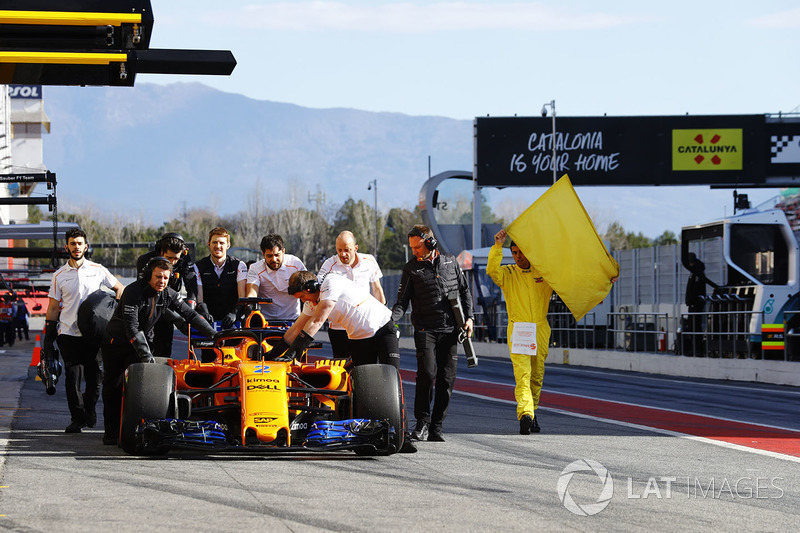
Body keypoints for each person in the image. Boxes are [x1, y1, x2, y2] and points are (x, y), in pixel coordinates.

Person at [269, 270, 416, 453]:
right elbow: (296, 329)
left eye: (304, 296)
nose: (305, 302)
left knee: (392, 383)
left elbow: (318, 320)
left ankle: (404, 436)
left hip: (383, 328)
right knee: (363, 390)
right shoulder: (312, 301)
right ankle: (369, 434)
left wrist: (293, 353)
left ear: (311, 287)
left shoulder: (331, 283)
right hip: (359, 339)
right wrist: (271, 355)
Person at [101, 256, 216, 445]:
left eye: (165, 278)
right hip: (116, 344)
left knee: (136, 390)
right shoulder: (132, 292)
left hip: (140, 342)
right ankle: (111, 432)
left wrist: (214, 335)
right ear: (148, 275)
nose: (162, 281)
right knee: (113, 387)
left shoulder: (168, 293)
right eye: (158, 277)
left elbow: (189, 314)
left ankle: (136, 430)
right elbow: (132, 328)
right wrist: (147, 357)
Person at [391, 224, 473, 442]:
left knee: (447, 379)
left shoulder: (450, 262)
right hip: (425, 330)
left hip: (450, 330)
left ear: (430, 242)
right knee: (427, 374)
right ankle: (422, 424)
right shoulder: (410, 268)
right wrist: (389, 321)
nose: (414, 251)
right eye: (412, 248)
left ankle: (437, 427)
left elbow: (465, 291)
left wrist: (470, 318)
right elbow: (402, 303)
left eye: (417, 247)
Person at [44, 228, 124, 433]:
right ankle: (77, 418)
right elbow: (53, 307)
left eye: (80, 243)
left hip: (95, 335)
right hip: (69, 333)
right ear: (66, 247)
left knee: (95, 379)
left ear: (86, 246)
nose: (76, 247)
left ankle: (90, 410)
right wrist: (49, 334)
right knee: (72, 378)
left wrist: (113, 311)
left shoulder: (98, 269)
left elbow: (119, 288)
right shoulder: (59, 275)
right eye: (72, 243)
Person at [487, 229, 552, 435]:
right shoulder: (508, 273)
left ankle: (533, 413)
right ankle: (525, 414)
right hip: (520, 329)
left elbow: (571, 282)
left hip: (540, 329)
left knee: (536, 377)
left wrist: (602, 281)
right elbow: (491, 271)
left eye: (521, 252)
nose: (518, 256)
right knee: (523, 375)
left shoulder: (544, 273)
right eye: (514, 253)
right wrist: (498, 246)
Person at [317, 230, 386, 358]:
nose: (343, 254)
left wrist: (383, 319)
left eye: (347, 250)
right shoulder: (329, 265)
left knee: (366, 367)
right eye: (339, 250)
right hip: (339, 328)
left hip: (365, 326)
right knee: (342, 368)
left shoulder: (369, 260)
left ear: (356, 248)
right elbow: (319, 290)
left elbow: (377, 289)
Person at [136, 232, 198, 357]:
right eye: (170, 258)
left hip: (169, 306)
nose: (173, 262)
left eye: (176, 258)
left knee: (164, 350)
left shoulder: (183, 259)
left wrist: (190, 305)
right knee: (145, 349)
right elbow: (144, 291)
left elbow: (192, 285)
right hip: (148, 307)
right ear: (161, 251)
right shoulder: (145, 260)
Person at [193, 227, 248, 327]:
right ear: (208, 244)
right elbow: (200, 299)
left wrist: (234, 314)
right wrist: (204, 313)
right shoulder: (198, 266)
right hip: (208, 320)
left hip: (233, 320)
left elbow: (242, 298)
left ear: (228, 245)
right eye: (214, 242)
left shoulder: (239, 265)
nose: (218, 246)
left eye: (221, 243)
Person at [246, 234, 306, 322]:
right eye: (269, 256)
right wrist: (249, 306)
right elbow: (252, 294)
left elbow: (307, 290)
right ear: (263, 254)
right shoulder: (255, 268)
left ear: (283, 251)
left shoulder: (295, 263)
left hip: (292, 319)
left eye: (277, 255)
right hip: (265, 321)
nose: (274, 259)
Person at [684, 252, 718, 355]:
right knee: (694, 326)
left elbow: (695, 290)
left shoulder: (696, 273)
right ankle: (696, 349)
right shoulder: (696, 272)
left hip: (695, 304)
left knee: (695, 326)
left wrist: (691, 300)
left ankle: (697, 349)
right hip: (695, 303)